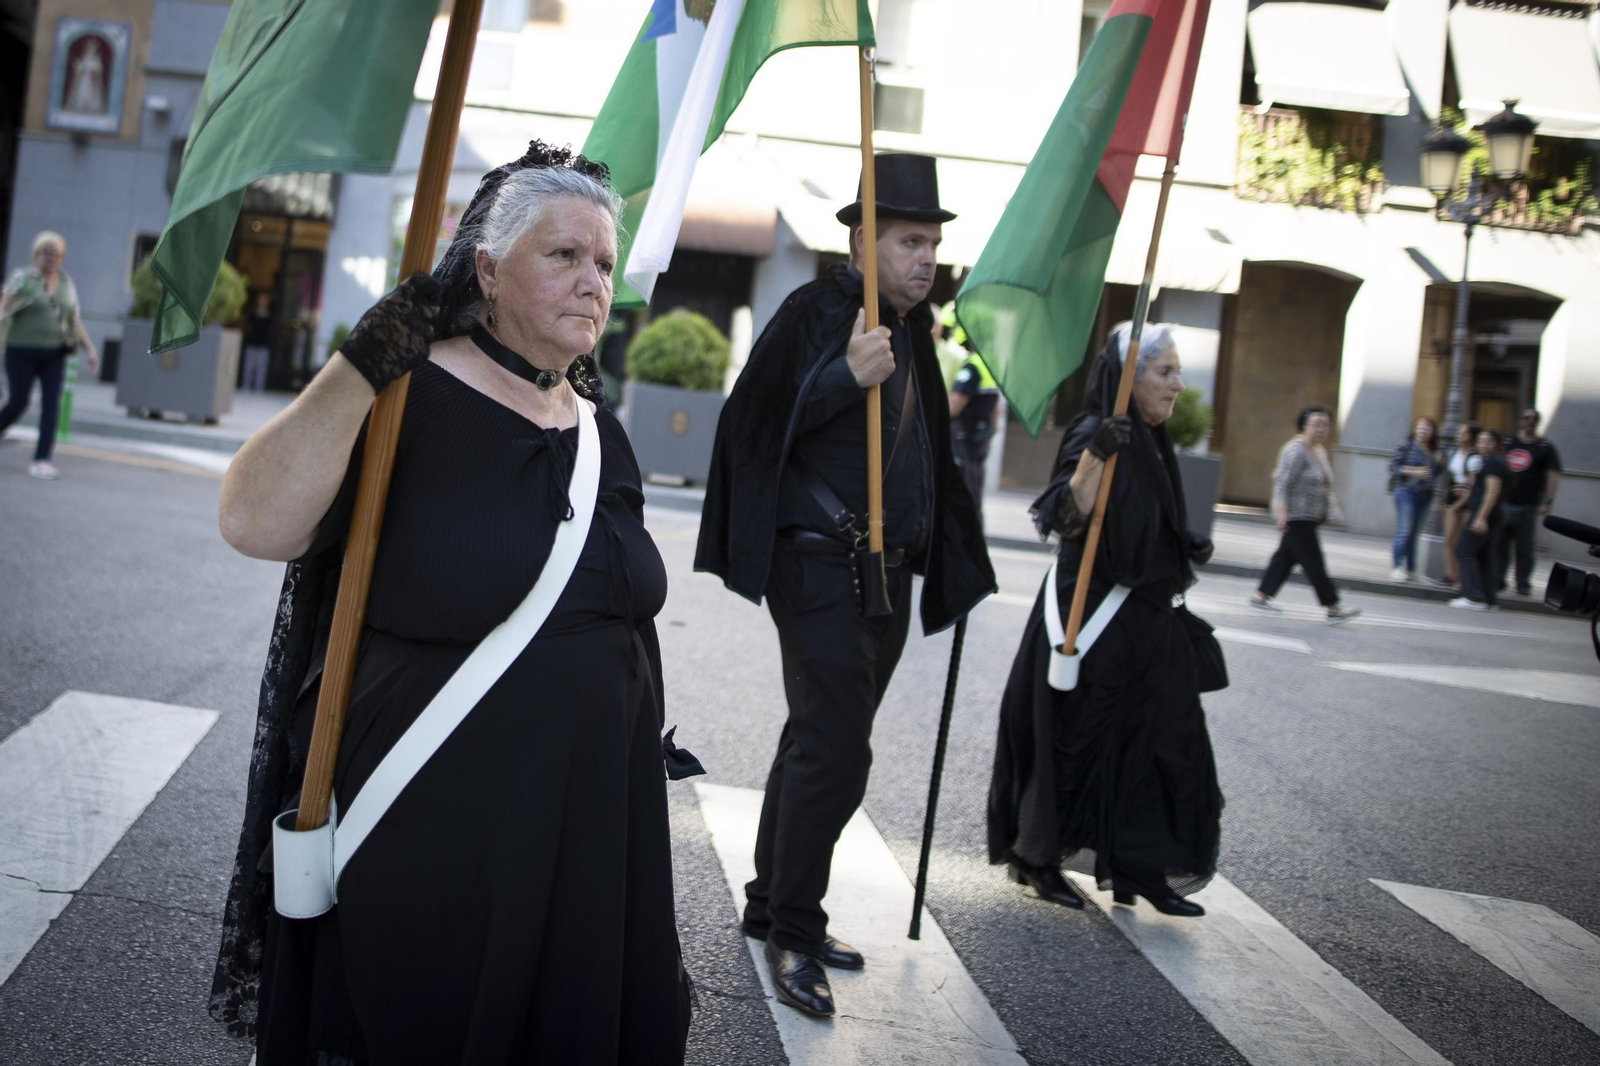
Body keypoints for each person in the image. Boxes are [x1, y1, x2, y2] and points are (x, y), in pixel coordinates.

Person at [210, 143, 697, 1064]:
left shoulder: (601, 431)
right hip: (440, 826)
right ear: (487, 267)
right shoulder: (408, 397)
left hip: (592, 830)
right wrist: (361, 365)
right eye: (563, 255)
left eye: (602, 261)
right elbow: (251, 521)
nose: (593, 280)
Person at [696, 152, 995, 1019]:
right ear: (863, 241)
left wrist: (957, 559)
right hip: (817, 561)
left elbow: (933, 460)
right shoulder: (818, 312)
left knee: (820, 737)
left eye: (933, 242)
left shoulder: (912, 331)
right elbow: (753, 420)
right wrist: (840, 378)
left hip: (885, 575)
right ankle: (795, 928)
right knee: (837, 750)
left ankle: (767, 901)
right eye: (908, 240)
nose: (925, 258)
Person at [987, 322, 1225, 918]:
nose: (1177, 385)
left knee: (1162, 743)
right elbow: (1065, 517)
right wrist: (1096, 455)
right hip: (1088, 619)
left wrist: (1180, 543)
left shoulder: (1155, 438)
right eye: (1164, 372)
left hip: (1148, 623)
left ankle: (1140, 867)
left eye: (1176, 371)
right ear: (1128, 378)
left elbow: (1143, 517)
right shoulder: (1099, 431)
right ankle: (1037, 858)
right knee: (1071, 739)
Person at [0, 231, 99, 479]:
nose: (51, 258)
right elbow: (3, 307)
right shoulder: (23, 279)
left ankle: (41, 459)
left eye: (56, 254)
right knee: (18, 401)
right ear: (37, 254)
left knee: (51, 404)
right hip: (20, 350)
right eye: (46, 253)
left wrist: (90, 349)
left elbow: (74, 319)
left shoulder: (66, 284)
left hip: (54, 353)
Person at [1249, 405, 1362, 623]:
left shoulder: (1319, 451)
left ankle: (1260, 596)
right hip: (1296, 516)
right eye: (1316, 424)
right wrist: (1282, 514)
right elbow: (1282, 483)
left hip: (1311, 516)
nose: (1321, 429)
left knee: (1285, 558)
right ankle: (1333, 606)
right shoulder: (1295, 450)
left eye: (1325, 424)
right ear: (1304, 426)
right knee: (1314, 562)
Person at [1498, 408, 1562, 597]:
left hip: (1528, 504)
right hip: (1505, 502)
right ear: (1520, 420)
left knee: (1525, 547)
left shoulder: (1545, 447)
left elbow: (1553, 475)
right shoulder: (1508, 442)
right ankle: (1498, 579)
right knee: (1500, 544)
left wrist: (1547, 501)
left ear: (1537, 422)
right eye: (1526, 418)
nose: (1529, 421)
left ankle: (1522, 582)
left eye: (1533, 419)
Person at [1452, 428, 1509, 611]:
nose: (1484, 444)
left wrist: (1481, 517)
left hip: (1487, 515)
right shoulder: (1487, 463)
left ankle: (1473, 597)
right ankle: (1488, 599)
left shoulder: (1494, 464)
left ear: (1497, 444)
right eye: (1481, 441)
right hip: (1491, 515)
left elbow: (1492, 492)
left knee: (1464, 551)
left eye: (1489, 441)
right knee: (1484, 557)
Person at [1387, 416, 1441, 581]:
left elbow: (1435, 474)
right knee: (1404, 530)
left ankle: (1411, 570)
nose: (1423, 431)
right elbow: (1393, 467)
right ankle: (1397, 567)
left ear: (1433, 432)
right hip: (1406, 491)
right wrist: (1414, 471)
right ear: (1415, 429)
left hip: (1425, 495)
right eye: (1420, 427)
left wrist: (1440, 464)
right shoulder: (1407, 446)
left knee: (1414, 533)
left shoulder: (1434, 451)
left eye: (1427, 428)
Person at [948, 352, 1000, 509]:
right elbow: (996, 407)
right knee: (975, 487)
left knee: (963, 488)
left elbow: (954, 406)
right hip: (981, 435)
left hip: (965, 435)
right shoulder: (991, 363)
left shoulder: (972, 366)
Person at [1440, 421, 1482, 587]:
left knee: (1462, 541)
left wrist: (1458, 504)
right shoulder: (1454, 453)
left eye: (1463, 433)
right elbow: (1448, 478)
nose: (1459, 436)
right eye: (1459, 433)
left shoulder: (1474, 458)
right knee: (1449, 539)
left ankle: (1464, 577)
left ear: (1471, 437)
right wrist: (1444, 500)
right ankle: (1451, 574)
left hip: (1466, 501)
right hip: (1452, 497)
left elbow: (1473, 485)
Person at [241, 291, 273, 391]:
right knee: (248, 369)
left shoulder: (270, 316)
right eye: (260, 299)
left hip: (263, 346)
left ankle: (259, 390)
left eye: (264, 299)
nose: (262, 301)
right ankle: (245, 389)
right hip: (252, 344)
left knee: (261, 371)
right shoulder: (252, 314)